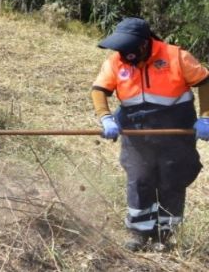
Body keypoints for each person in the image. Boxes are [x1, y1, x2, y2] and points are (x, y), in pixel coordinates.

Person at [90, 17, 209, 251]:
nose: (125, 54)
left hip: (174, 129)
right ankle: (139, 233)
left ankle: (165, 235)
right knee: (140, 179)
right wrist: (105, 117)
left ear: (145, 43)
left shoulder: (176, 56)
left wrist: (205, 116)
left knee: (171, 179)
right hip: (135, 130)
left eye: (129, 48)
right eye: (121, 49)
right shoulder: (116, 62)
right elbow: (99, 90)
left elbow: (205, 81)